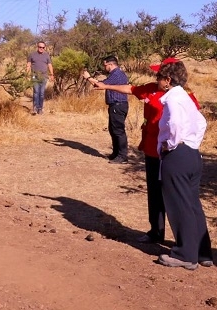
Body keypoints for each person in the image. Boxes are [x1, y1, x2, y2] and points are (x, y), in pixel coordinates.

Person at [86, 57, 200, 245]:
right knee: (154, 194)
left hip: (171, 153)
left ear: (169, 77)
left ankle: (187, 243)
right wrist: (106, 87)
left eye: (159, 74)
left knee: (175, 197)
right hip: (151, 148)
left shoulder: (182, 96)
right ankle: (156, 231)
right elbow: (131, 89)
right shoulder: (150, 88)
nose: (156, 77)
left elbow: (195, 121)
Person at [154, 60, 212, 270]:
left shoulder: (172, 99)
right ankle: (203, 252)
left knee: (179, 204)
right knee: (192, 203)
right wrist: (192, 142)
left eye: (159, 77)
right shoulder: (186, 98)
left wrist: (170, 145)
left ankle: (186, 255)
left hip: (177, 155)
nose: (157, 81)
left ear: (167, 80)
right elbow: (202, 122)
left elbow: (175, 125)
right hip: (192, 154)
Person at [87, 55, 129, 163]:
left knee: (118, 130)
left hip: (118, 105)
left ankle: (122, 155)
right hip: (116, 105)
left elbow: (100, 85)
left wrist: (88, 78)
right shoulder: (115, 74)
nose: (104, 67)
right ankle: (116, 153)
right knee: (113, 129)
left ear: (110, 64)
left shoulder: (116, 74)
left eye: (105, 65)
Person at [26, 41, 54, 115]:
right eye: (40, 47)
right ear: (37, 47)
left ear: (45, 48)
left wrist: (51, 74)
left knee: (41, 93)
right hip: (34, 76)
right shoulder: (32, 55)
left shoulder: (46, 55)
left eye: (43, 47)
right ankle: (35, 108)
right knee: (36, 92)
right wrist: (26, 74)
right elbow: (28, 64)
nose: (41, 48)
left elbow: (50, 65)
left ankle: (40, 108)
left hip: (44, 76)